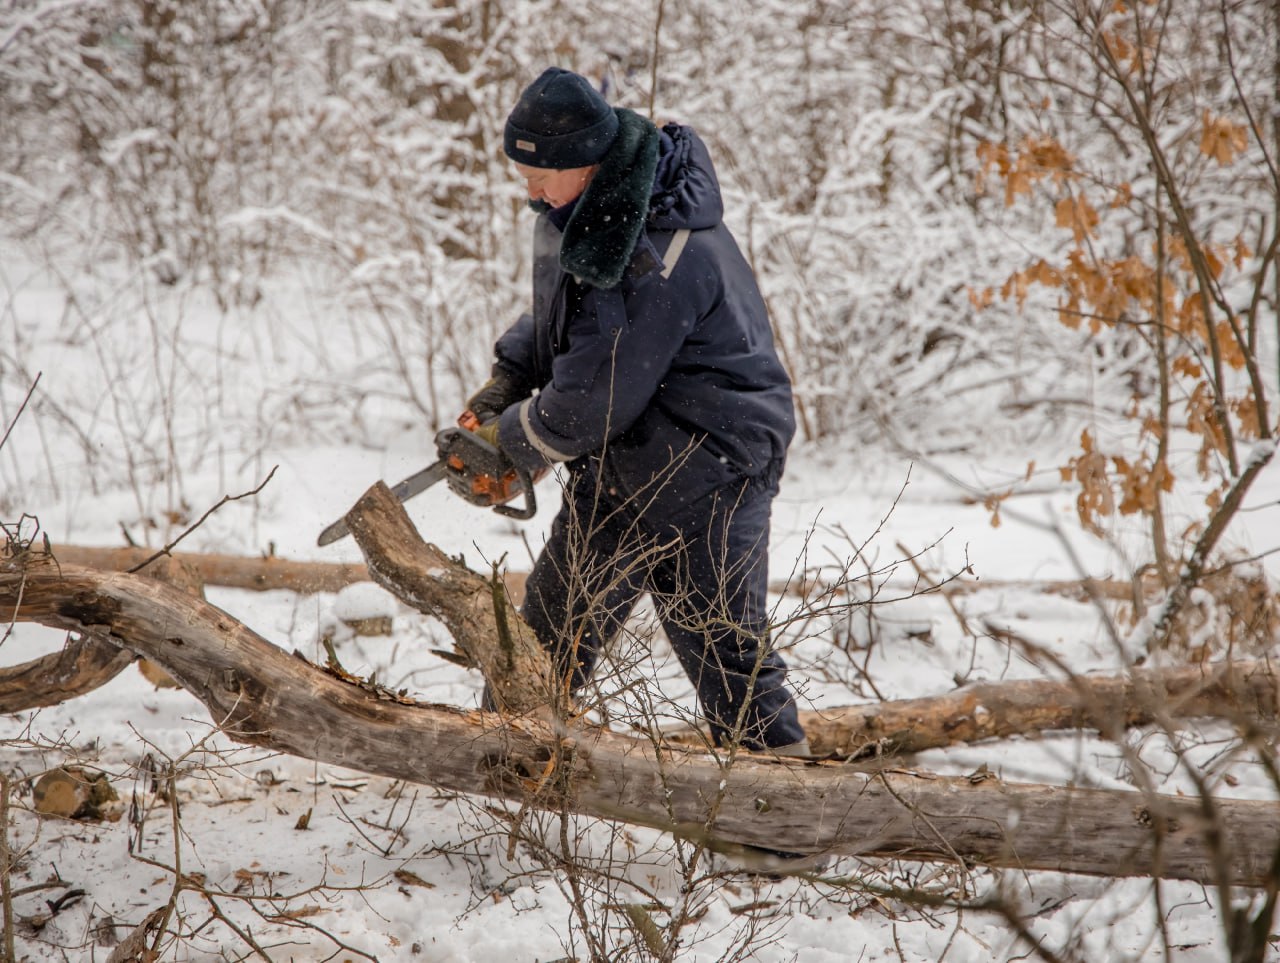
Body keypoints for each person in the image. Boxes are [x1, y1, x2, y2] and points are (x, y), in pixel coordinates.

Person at [463, 66, 809, 757]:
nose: (529, 191)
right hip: (626, 460)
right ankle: (507, 770)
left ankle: (783, 805)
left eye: (539, 176)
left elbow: (595, 394)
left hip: (710, 466)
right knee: (547, 636)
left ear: (584, 161)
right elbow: (566, 317)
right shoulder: (589, 214)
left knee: (724, 652)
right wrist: (509, 378)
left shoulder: (660, 245)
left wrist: (514, 441)